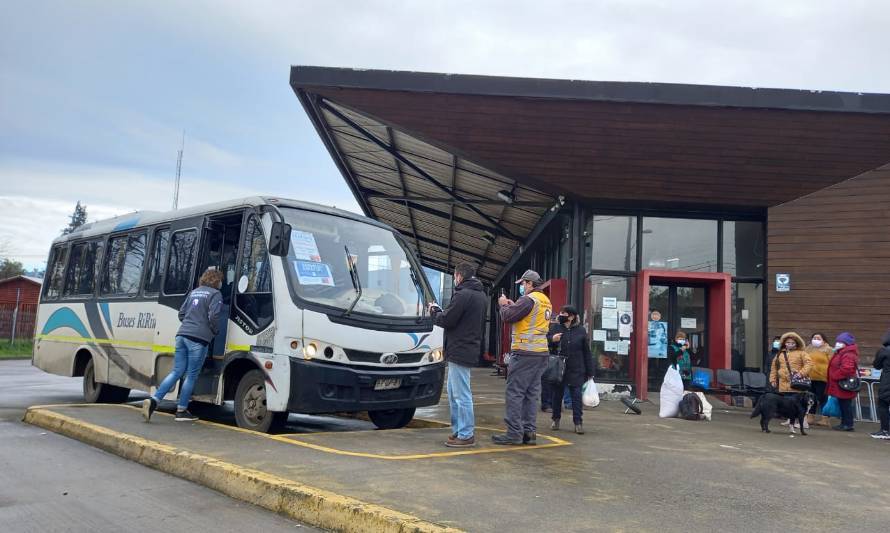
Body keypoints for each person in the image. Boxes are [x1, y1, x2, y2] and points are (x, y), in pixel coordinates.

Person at [142, 268, 224, 422]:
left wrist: (190, 324)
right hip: (199, 339)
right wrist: (214, 331)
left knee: (176, 371)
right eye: (220, 280)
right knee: (191, 375)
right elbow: (213, 316)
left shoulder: (194, 292)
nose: (221, 283)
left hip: (182, 335)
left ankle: (154, 400)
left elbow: (181, 314)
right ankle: (181, 411)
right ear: (216, 280)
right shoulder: (215, 294)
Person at [429, 262, 487, 448]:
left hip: (459, 349)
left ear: (459, 276)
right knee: (454, 392)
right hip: (467, 348)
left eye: (455, 276)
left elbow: (448, 319)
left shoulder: (463, 295)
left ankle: (466, 433)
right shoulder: (480, 295)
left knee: (461, 394)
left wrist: (434, 311)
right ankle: (458, 430)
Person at [492, 269, 552, 445]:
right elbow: (525, 316)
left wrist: (504, 304)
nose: (522, 287)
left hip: (525, 352)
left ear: (530, 284)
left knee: (515, 392)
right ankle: (529, 432)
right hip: (541, 353)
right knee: (531, 393)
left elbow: (508, 316)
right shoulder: (545, 301)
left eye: (523, 284)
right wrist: (514, 304)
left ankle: (513, 433)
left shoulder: (529, 299)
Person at [547, 305, 595, 434]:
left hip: (576, 368)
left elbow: (587, 352)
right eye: (561, 312)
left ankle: (578, 423)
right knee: (557, 395)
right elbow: (545, 342)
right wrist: (552, 339)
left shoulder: (580, 331)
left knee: (576, 396)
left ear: (572, 317)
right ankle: (556, 419)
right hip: (559, 367)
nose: (561, 315)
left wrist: (590, 371)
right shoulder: (555, 327)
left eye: (564, 313)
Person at [768, 332, 813, 428]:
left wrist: (801, 373)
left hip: (798, 383)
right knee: (788, 403)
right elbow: (774, 367)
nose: (790, 344)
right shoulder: (780, 354)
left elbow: (809, 364)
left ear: (797, 343)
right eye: (788, 342)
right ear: (784, 343)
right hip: (784, 383)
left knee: (801, 404)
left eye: (792, 343)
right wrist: (773, 379)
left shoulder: (802, 353)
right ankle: (790, 420)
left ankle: (803, 422)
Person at [826, 332, 860, 432]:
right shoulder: (841, 352)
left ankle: (847, 424)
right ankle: (845, 423)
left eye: (840, 342)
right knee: (843, 404)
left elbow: (847, 369)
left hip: (843, 384)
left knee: (845, 404)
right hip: (841, 383)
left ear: (846, 343)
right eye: (837, 341)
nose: (837, 343)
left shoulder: (848, 354)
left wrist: (834, 376)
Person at [805, 332, 832, 427]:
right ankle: (810, 417)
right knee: (811, 398)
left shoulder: (828, 349)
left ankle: (825, 419)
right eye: (814, 338)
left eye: (818, 338)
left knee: (822, 398)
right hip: (809, 377)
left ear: (823, 340)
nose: (816, 339)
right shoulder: (808, 349)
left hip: (822, 378)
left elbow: (832, 363)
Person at [871, 330, 890, 440]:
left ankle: (885, 430)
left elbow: (877, 365)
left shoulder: (884, 351)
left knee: (883, 405)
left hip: (887, 381)